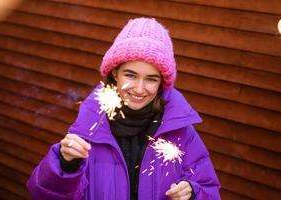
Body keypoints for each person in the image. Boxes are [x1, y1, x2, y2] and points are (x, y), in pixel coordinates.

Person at [27, 17, 221, 200]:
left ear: (162, 83)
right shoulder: (88, 129)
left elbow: (209, 189)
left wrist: (194, 193)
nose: (139, 88)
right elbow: (42, 195)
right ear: (115, 73)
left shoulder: (182, 134)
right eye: (130, 75)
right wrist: (65, 166)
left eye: (151, 79)